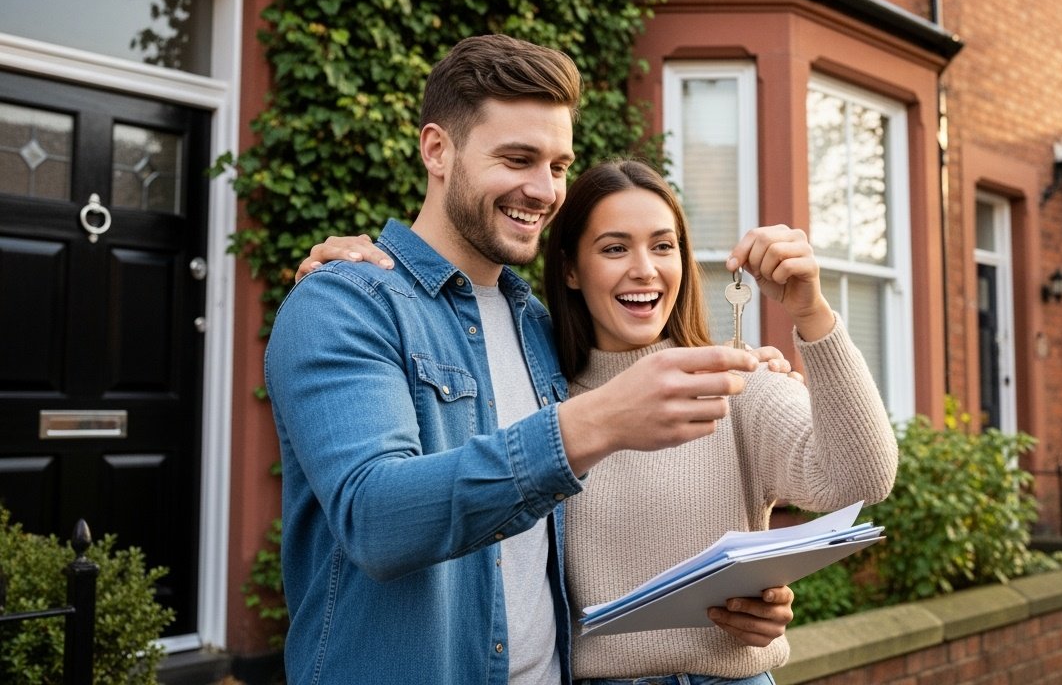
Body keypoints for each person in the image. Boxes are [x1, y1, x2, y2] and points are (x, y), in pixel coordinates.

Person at [266, 34, 794, 685]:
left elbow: (606, 530)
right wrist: (590, 425)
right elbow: (376, 518)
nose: (544, 190)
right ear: (437, 149)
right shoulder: (345, 305)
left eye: (558, 165)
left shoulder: (542, 329)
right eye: (518, 158)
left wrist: (746, 601)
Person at [304, 158, 899, 683]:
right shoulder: (536, 389)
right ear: (570, 269)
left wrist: (811, 313)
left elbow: (863, 478)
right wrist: (359, 275)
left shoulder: (733, 383)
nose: (644, 269)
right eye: (615, 248)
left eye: (663, 246)